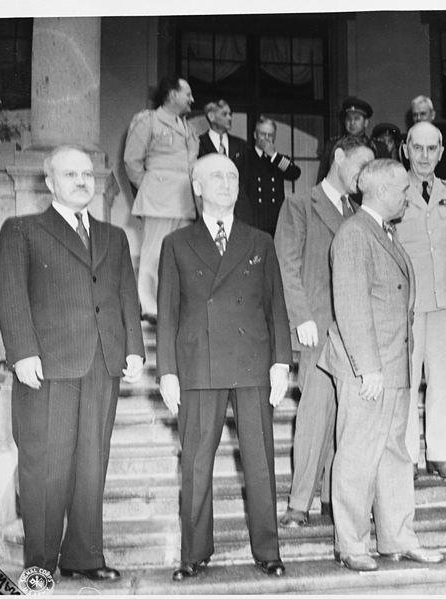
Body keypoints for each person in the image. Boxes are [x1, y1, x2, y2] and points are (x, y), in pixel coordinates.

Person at [0, 145, 145, 581]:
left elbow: (125, 295)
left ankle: (84, 557)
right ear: (50, 181)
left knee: (91, 463)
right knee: (45, 468)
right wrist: (22, 352)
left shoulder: (114, 236)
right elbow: (10, 295)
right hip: (48, 368)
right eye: (71, 174)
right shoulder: (22, 230)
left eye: (87, 174)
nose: (82, 181)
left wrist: (133, 347)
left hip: (101, 363)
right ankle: (39, 569)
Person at [156, 153, 292, 581]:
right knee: (196, 463)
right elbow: (168, 312)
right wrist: (167, 371)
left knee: (260, 460)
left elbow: (276, 307)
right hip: (198, 364)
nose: (226, 183)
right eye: (216, 176)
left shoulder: (260, 240)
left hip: (252, 361)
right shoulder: (176, 244)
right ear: (196, 186)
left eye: (232, 176)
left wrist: (281, 363)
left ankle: (267, 550)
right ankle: (194, 554)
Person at [317, 158, 444, 572]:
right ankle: (351, 545)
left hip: (394, 368)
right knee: (357, 455)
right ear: (382, 192)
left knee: (395, 455)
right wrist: (368, 368)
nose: (408, 196)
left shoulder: (383, 232)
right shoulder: (355, 234)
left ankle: (397, 538)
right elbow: (351, 306)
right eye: (403, 190)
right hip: (369, 371)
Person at [274, 135, 374, 528]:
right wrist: (301, 317)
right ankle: (300, 502)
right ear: (338, 157)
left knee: (345, 418)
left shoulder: (359, 214)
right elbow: (287, 264)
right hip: (317, 326)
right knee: (315, 413)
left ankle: (334, 498)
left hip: (352, 330)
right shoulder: (300, 204)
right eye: (360, 166)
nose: (364, 177)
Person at [398, 121, 446, 480]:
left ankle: (439, 453)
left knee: (443, 379)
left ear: (441, 153)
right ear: (405, 149)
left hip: (445, 300)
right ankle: (409, 455)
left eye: (432, 149)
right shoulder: (394, 192)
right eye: (418, 148)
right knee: (408, 380)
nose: (424, 156)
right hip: (407, 303)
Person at [124, 75, 199, 323]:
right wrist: (149, 186)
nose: (192, 99)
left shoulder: (187, 127)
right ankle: (149, 305)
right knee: (154, 250)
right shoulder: (148, 120)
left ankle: (175, 304)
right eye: (187, 94)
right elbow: (132, 160)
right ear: (172, 95)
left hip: (184, 199)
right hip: (159, 197)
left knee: (182, 252)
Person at [244, 115, 302, 236]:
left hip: (276, 223)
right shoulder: (245, 157)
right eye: (262, 134)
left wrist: (273, 155)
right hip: (253, 222)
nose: (266, 138)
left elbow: (295, 173)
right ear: (255, 135)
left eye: (270, 135)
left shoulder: (278, 159)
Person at [407, 95, 446, 196]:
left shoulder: (445, 135)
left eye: (423, 114)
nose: (418, 118)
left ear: (432, 115)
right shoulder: (408, 140)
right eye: (415, 115)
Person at [198, 99, 249, 219]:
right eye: (224, 114)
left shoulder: (241, 145)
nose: (230, 118)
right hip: (210, 210)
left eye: (230, 114)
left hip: (239, 213)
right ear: (211, 116)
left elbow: (246, 180)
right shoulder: (198, 144)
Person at [316, 96, 373, 184]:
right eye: (349, 118)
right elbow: (323, 177)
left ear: (366, 123)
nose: (352, 123)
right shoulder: (333, 145)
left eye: (357, 119)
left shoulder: (376, 147)